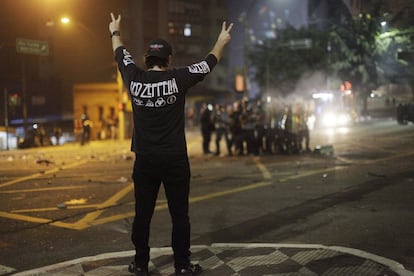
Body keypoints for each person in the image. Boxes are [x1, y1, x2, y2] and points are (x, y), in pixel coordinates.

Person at [109, 13, 233, 276]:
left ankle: (140, 264)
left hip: (145, 160)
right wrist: (221, 41)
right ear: (169, 60)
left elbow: (121, 54)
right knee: (180, 216)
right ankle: (182, 265)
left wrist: (114, 31)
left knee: (142, 215)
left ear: (147, 59)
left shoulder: (134, 79)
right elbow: (208, 64)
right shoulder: (179, 78)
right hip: (174, 160)